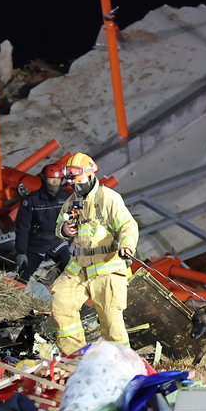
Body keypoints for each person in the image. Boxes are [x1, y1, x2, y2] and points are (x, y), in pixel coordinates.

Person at [50, 152, 139, 355]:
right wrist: (64, 230)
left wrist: (127, 245)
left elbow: (127, 225)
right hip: (79, 266)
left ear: (90, 176)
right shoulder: (70, 202)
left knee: (111, 321)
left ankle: (120, 363)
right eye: (73, 184)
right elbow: (58, 227)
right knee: (61, 303)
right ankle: (76, 358)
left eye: (79, 183)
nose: (76, 188)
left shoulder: (109, 199)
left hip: (107, 266)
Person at [14, 164, 71, 282]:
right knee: (22, 276)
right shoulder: (31, 200)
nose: (55, 182)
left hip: (58, 243)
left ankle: (84, 300)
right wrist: (21, 252)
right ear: (44, 178)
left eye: (58, 178)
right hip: (36, 245)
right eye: (52, 178)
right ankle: (11, 295)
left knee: (73, 275)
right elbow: (23, 226)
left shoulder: (67, 198)